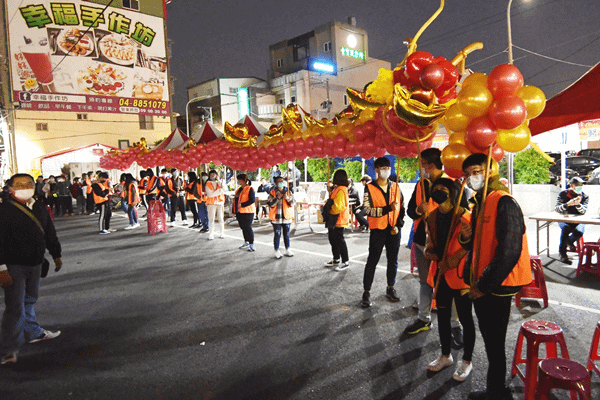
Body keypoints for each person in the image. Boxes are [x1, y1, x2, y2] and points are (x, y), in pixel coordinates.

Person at [461, 153, 532, 400]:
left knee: (494, 342)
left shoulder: (505, 202)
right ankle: (496, 390)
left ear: (492, 169)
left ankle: (497, 393)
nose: (473, 177)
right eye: (469, 173)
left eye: (477, 171)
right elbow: (477, 245)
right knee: (491, 341)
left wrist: (483, 286)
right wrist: (466, 235)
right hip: (482, 283)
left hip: (496, 286)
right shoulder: (481, 202)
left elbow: (510, 251)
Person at [0, 173, 62, 365]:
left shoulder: (39, 206)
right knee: (15, 307)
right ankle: (9, 349)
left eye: (28, 183)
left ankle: (33, 332)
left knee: (29, 299)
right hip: (13, 265)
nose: (25, 187)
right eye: (19, 184)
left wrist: (56, 254)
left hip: (35, 262)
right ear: (10, 188)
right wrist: (1, 268)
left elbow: (49, 231)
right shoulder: (3, 209)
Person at [405, 148, 465, 342]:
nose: (421, 167)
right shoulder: (421, 184)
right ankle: (424, 318)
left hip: (445, 245)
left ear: (430, 164)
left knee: (450, 285)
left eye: (423, 164)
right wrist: (417, 209)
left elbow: (461, 214)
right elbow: (410, 212)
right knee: (424, 282)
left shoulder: (452, 184)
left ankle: (455, 325)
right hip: (422, 241)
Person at [423, 178, 476, 382]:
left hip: (461, 276)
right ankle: (445, 356)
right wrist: (429, 250)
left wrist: (455, 258)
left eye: (443, 188)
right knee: (443, 317)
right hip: (441, 274)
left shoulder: (464, 216)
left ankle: (467, 361)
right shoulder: (432, 217)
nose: (438, 191)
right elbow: (431, 242)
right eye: (435, 188)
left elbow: (472, 244)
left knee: (465, 319)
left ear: (453, 192)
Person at [361, 157, 404, 307]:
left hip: (394, 230)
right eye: (383, 168)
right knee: (372, 260)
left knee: (393, 260)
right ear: (377, 170)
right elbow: (368, 210)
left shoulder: (396, 186)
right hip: (378, 230)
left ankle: (390, 287)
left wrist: (399, 224)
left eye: (388, 167)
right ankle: (366, 292)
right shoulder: (370, 187)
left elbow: (401, 207)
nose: (387, 170)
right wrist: (387, 209)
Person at [555, 176, 588, 264]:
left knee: (579, 231)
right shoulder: (563, 194)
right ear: (571, 185)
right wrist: (567, 204)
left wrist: (577, 204)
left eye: (581, 184)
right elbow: (557, 209)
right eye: (577, 184)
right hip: (564, 219)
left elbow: (583, 211)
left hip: (578, 220)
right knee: (566, 229)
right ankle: (563, 254)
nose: (579, 186)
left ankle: (569, 242)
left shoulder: (584, 196)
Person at [325, 170, 350, 271]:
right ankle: (336, 259)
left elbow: (338, 207)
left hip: (338, 219)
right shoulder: (337, 188)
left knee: (339, 241)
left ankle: (345, 261)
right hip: (334, 219)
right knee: (333, 239)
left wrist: (329, 211)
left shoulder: (341, 189)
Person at [267, 176, 295, 259]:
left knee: (286, 234)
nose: (281, 183)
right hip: (276, 217)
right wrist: (278, 198)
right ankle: (277, 250)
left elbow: (293, 203)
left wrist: (288, 198)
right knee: (277, 234)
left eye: (282, 181)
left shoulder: (288, 191)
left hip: (286, 217)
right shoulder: (272, 192)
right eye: (279, 181)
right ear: (275, 183)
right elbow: (270, 204)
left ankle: (288, 249)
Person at [234, 174, 256, 251]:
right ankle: (246, 241)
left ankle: (251, 243)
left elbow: (252, 200)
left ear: (243, 180)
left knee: (248, 227)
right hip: (240, 211)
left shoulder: (250, 189)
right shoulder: (239, 189)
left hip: (248, 211)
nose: (238, 181)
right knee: (243, 227)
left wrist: (243, 204)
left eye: (239, 180)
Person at [205, 169, 225, 240]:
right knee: (211, 219)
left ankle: (222, 232)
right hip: (211, 203)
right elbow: (210, 194)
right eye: (211, 174)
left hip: (220, 202)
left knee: (221, 218)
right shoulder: (208, 183)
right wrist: (220, 191)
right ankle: (211, 234)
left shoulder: (220, 182)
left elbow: (225, 189)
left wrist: (219, 182)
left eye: (214, 174)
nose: (213, 176)